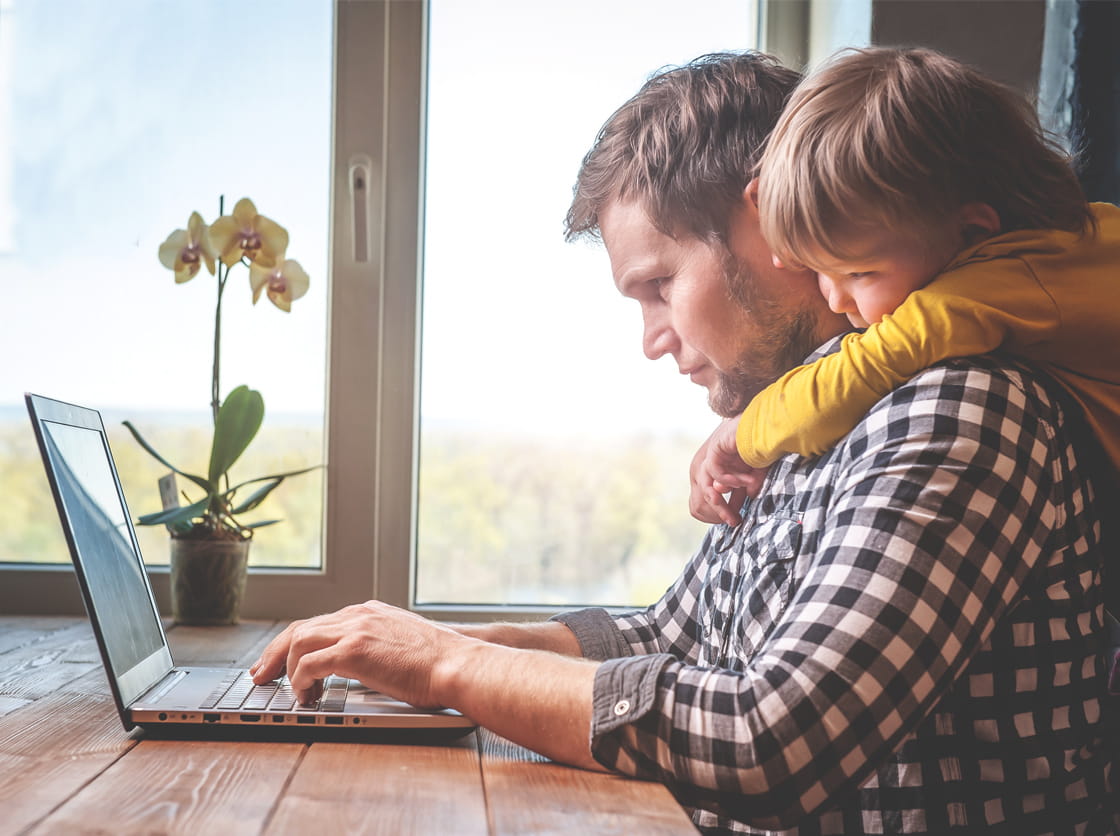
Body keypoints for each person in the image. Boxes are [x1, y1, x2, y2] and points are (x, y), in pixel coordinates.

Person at [251, 51, 1117, 833]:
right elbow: (668, 634)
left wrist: (449, 669)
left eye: (660, 286)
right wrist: (413, 649)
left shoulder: (958, 406)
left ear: (770, 223)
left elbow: (768, 738)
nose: (652, 338)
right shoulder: (808, 417)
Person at [688, 47, 1120, 530]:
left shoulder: (992, 289)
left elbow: (859, 373)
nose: (835, 298)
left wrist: (743, 432)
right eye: (816, 270)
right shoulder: (1075, 244)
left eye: (859, 273)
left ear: (973, 233)